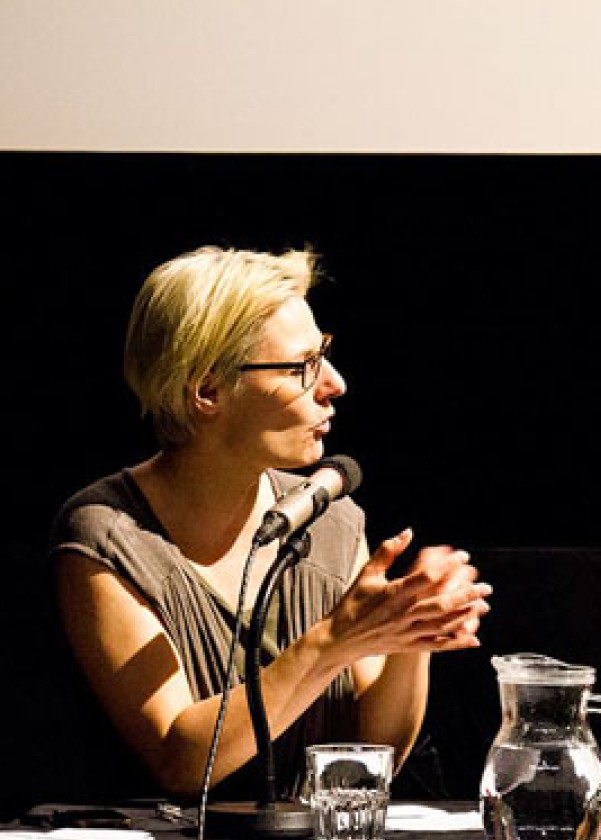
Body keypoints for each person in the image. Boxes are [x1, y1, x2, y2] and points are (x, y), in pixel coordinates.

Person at [44, 245, 492, 804]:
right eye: (302, 366)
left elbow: (371, 755)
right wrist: (331, 643)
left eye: (324, 354)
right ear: (207, 391)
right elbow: (181, 760)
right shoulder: (107, 537)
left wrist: (410, 631)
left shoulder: (329, 519)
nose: (335, 383)